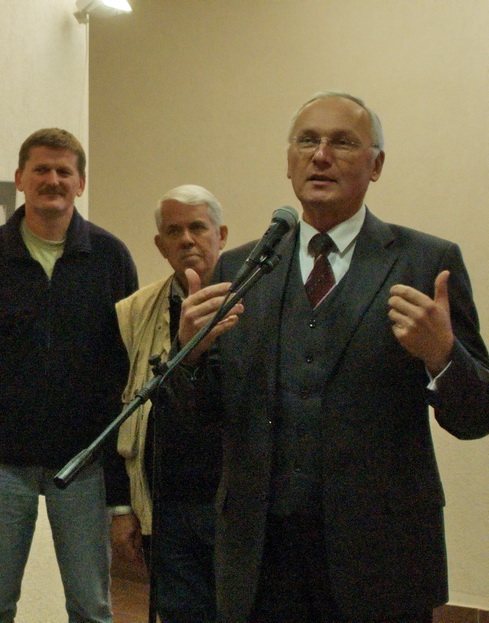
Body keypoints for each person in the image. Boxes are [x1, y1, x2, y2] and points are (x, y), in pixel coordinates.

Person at [176, 91, 489, 622]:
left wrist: (443, 356)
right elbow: (200, 421)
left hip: (381, 554)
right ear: (289, 161)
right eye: (307, 141)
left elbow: (477, 416)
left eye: (342, 143)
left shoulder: (425, 262)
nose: (320, 156)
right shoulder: (241, 269)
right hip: (261, 555)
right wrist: (190, 356)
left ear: (376, 165)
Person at [0, 128, 138, 623]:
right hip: (1, 461)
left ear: (80, 183)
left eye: (64, 171)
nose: (53, 180)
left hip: (85, 461)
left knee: (91, 607)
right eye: (41, 169)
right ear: (19, 179)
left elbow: (125, 360)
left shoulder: (111, 258)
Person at [107, 185, 227, 623]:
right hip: (166, 507)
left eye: (198, 227)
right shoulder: (133, 313)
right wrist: (122, 508)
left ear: (221, 235)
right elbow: (115, 412)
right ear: (160, 246)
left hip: (235, 507)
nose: (187, 240)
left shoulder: (259, 299)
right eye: (174, 232)